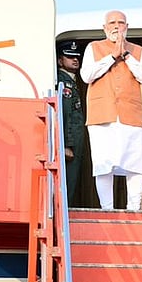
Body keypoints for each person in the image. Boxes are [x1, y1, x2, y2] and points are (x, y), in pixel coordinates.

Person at [80, 10, 142, 211]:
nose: (116, 26)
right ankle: (107, 209)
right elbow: (87, 75)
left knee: (135, 163)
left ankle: (134, 208)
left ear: (126, 27)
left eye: (120, 23)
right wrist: (112, 56)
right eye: (112, 23)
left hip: (131, 115)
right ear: (105, 28)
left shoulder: (138, 51)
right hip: (102, 115)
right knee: (103, 165)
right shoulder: (94, 47)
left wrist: (127, 56)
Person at [57, 40, 86, 206]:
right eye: (69, 56)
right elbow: (66, 113)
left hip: (75, 142)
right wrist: (66, 145)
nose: (75, 59)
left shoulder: (71, 81)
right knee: (68, 181)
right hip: (70, 144)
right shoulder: (64, 82)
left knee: (72, 181)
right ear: (60, 60)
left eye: (76, 57)